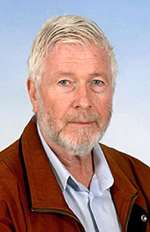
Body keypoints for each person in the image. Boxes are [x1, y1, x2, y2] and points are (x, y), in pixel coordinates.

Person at [0, 15, 149, 232]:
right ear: (34, 94)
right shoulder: (4, 194)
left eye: (97, 82)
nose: (84, 102)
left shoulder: (143, 179)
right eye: (65, 82)